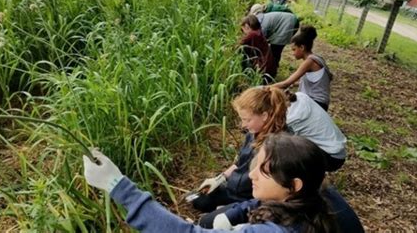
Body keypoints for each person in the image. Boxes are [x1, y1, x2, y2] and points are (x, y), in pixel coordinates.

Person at [83, 133, 364, 232]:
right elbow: (260, 201)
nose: (253, 174)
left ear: (294, 184)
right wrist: (228, 215)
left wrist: (119, 186)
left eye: (263, 171)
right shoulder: (320, 195)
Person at [191, 86, 288, 213]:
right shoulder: (253, 132)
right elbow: (239, 163)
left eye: (247, 120)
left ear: (264, 116)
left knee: (208, 222)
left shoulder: (279, 144)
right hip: (235, 188)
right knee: (197, 199)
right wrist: (219, 179)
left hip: (252, 196)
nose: (243, 125)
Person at [271, 25, 333, 111]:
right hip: (321, 102)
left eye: (294, 49)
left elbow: (285, 84)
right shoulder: (318, 59)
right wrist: (296, 84)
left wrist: (265, 89)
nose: (292, 53)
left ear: (302, 47)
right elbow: (317, 82)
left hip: (316, 103)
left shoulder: (309, 61)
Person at [250, 4, 299, 79]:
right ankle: (271, 70)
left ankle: (270, 74)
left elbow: (262, 43)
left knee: (275, 51)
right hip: (290, 21)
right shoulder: (261, 19)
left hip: (288, 23)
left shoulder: (262, 25)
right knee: (274, 49)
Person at [238, 15, 276, 84]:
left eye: (242, 29)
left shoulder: (252, 34)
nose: (243, 33)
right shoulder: (259, 32)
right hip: (270, 69)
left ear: (246, 26)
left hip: (263, 70)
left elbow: (238, 46)